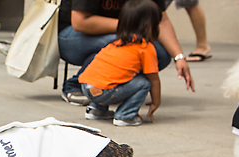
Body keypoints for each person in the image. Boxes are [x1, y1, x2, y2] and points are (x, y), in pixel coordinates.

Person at [57, 0, 194, 106]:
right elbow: (80, 22)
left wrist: (179, 57)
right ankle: (77, 84)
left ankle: (113, 88)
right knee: (123, 42)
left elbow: (161, 20)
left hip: (121, 33)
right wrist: (129, 29)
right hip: (71, 37)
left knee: (159, 53)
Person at [79, 0, 162, 126]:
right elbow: (154, 79)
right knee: (144, 83)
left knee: (107, 76)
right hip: (104, 92)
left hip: (86, 87)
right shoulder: (145, 47)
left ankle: (96, 110)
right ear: (147, 26)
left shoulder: (115, 43)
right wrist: (156, 102)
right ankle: (125, 115)